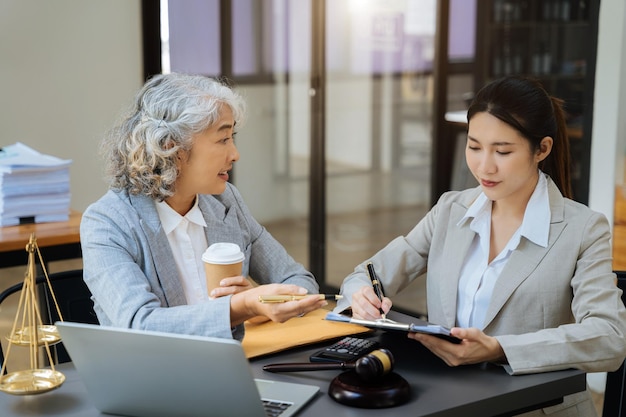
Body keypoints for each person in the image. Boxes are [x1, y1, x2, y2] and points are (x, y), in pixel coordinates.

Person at [335, 75, 626, 416]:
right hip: (449, 403)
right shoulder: (451, 210)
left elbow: (608, 337)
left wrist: (498, 349)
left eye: (502, 151)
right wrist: (361, 298)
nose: (484, 166)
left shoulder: (583, 229)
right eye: (474, 147)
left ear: (542, 149)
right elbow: (365, 275)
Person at [80, 73, 325, 341]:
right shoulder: (107, 222)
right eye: (223, 140)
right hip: (152, 378)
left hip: (231, 367)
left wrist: (260, 304)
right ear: (171, 147)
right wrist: (238, 308)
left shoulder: (225, 201)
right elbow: (142, 325)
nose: (235, 154)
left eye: (233, 137)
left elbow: (300, 281)